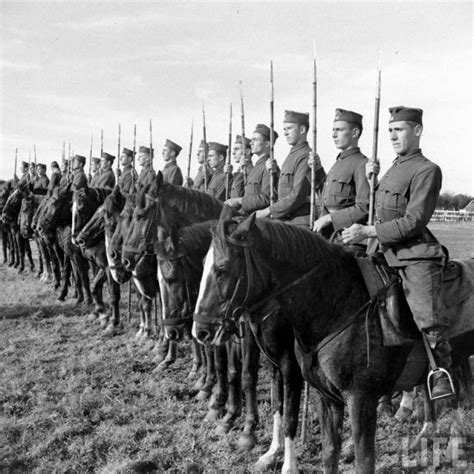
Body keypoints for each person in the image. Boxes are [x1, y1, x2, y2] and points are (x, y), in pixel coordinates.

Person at [341, 106, 453, 399]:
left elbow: (414, 221)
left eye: (399, 129)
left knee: (426, 314)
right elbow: (378, 206)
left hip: (413, 254)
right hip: (381, 251)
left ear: (417, 131)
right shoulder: (391, 167)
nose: (392, 135)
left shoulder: (427, 169)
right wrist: (370, 179)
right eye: (390, 130)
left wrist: (369, 232)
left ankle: (439, 369)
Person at [256, 111, 325, 228]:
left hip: (299, 223)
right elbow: (283, 191)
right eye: (284, 129)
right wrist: (275, 172)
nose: (285, 133)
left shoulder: (305, 155)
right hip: (286, 220)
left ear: (302, 130)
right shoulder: (291, 156)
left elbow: (297, 195)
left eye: (289, 129)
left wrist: (268, 211)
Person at [312, 108, 369, 240]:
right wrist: (318, 170)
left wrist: (329, 218)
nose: (334, 135)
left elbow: (364, 207)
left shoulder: (361, 164)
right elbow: (326, 198)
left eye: (340, 130)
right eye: (333, 130)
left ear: (355, 132)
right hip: (329, 236)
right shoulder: (338, 164)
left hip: (347, 238)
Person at [225, 124, 278, 213]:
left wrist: (239, 201)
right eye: (251, 140)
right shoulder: (255, 169)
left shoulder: (269, 167)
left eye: (255, 140)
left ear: (267, 144)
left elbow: (266, 199)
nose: (251, 143)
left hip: (257, 219)